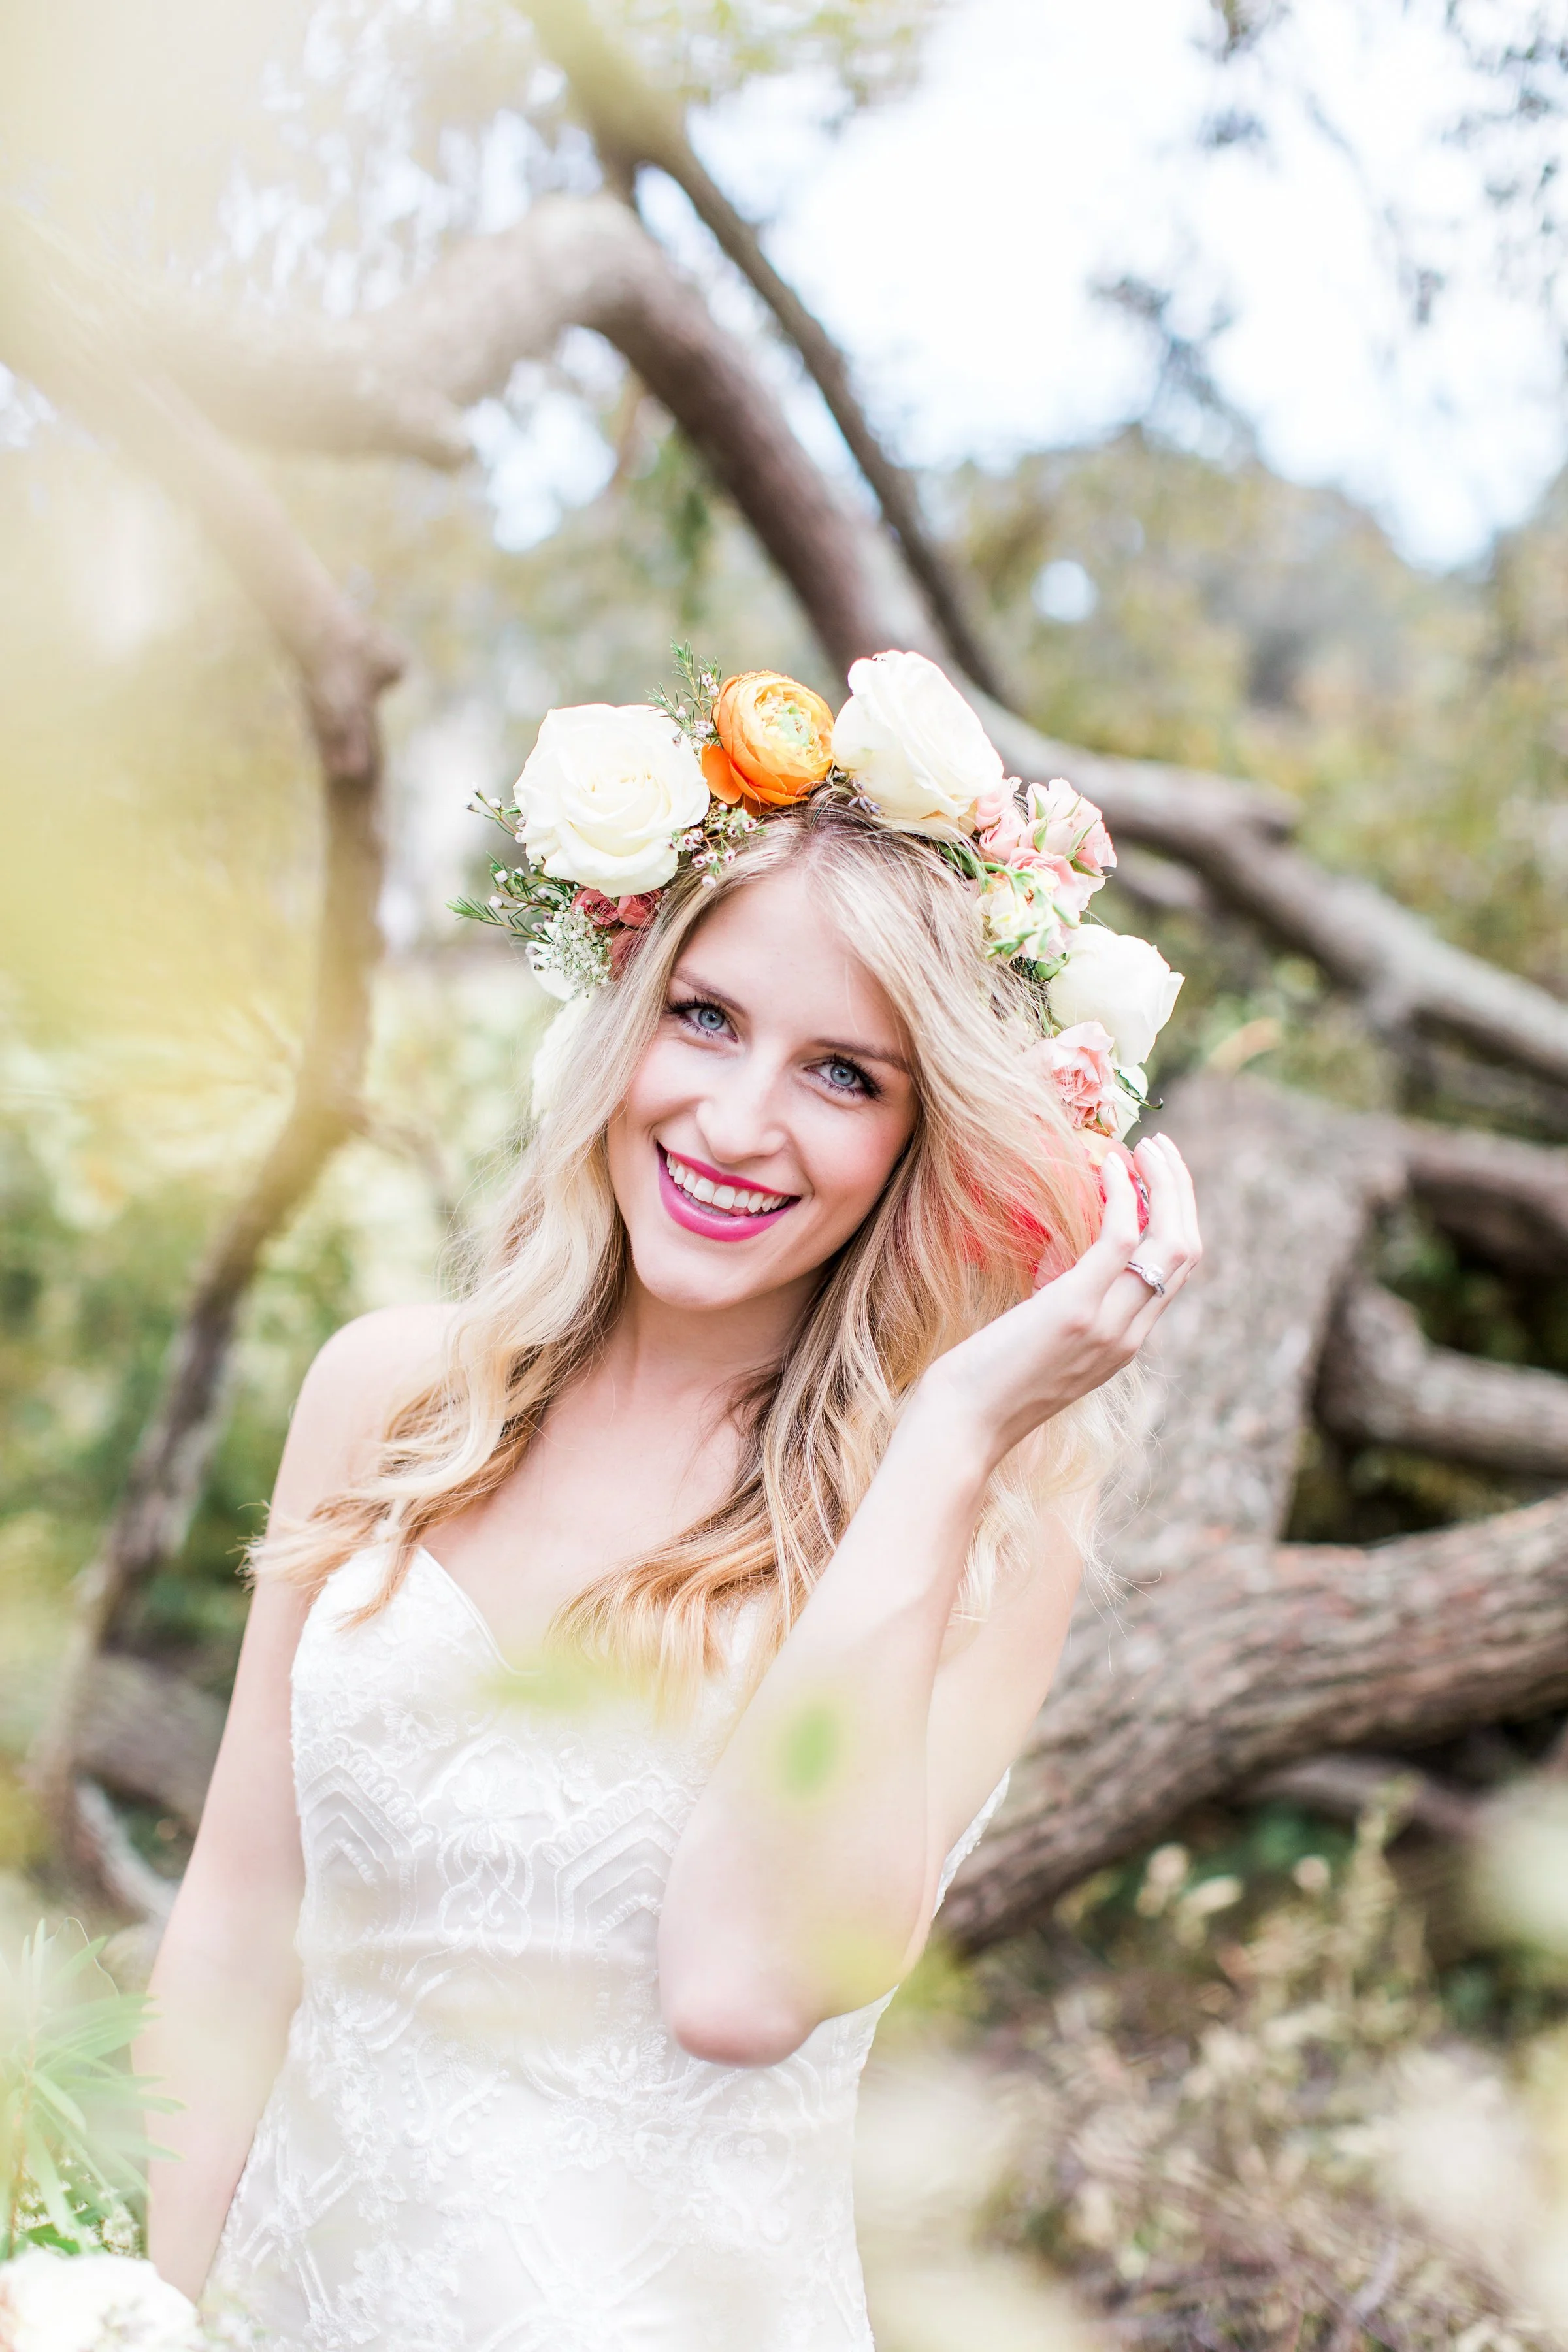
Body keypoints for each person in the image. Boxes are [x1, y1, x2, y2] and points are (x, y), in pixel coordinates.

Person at [137, 655, 1200, 2351]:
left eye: (844, 1074)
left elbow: (741, 1987)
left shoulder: (988, 1529)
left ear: (925, 1135)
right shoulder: (388, 1398)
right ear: (623, 1016)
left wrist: (945, 1443)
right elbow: (238, 1923)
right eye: (704, 1019)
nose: (736, 1121)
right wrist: (147, 2309)